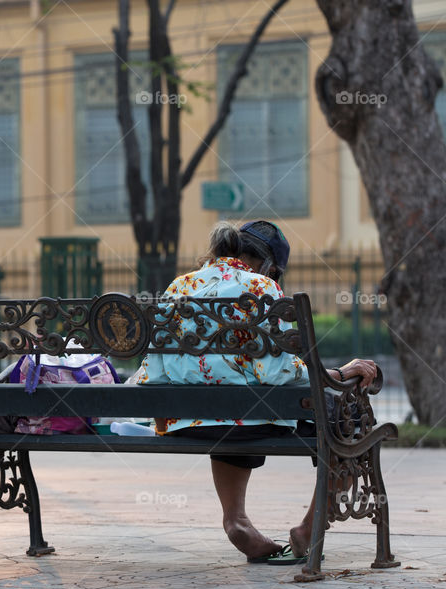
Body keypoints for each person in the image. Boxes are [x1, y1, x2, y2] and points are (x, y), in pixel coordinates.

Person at [137, 220, 379, 563]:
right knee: (351, 416)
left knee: (237, 409)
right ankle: (309, 529)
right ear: (269, 266)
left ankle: (237, 521)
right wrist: (339, 373)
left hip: (188, 422)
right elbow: (279, 374)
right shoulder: (262, 287)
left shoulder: (179, 287)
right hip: (249, 418)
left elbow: (153, 372)